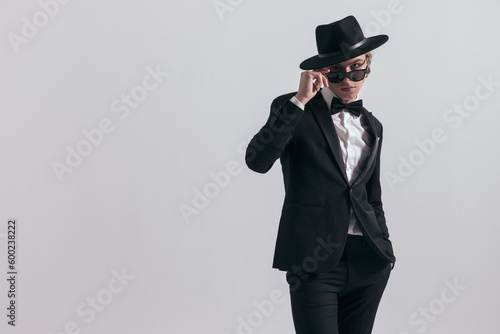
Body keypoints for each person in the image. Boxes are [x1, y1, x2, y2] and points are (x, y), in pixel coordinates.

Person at [245, 16, 396, 334]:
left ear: (368, 65)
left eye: (356, 69)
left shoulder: (372, 125)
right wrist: (300, 99)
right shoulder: (294, 109)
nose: (348, 80)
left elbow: (372, 196)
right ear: (322, 73)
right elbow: (257, 160)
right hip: (313, 262)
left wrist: (386, 251)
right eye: (336, 72)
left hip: (368, 260)